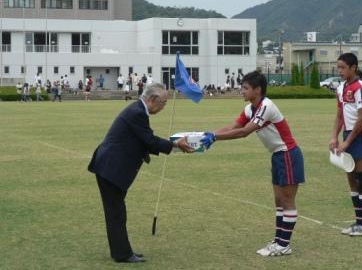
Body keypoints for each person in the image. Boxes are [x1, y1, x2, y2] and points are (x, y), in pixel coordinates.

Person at [200, 71, 305, 257]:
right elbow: (233, 127)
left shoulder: (266, 106)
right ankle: (279, 240)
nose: (242, 91)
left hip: (288, 154)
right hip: (277, 155)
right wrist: (207, 135)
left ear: (258, 90)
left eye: (246, 88)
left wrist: (215, 137)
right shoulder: (250, 108)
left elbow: (244, 132)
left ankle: (284, 244)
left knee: (287, 200)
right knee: (279, 201)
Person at [88, 83, 194, 263]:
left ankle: (122, 252)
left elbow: (144, 141)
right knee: (116, 214)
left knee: (116, 213)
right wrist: (176, 145)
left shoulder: (137, 110)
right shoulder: (137, 112)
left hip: (110, 168)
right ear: (153, 99)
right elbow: (149, 141)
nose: (164, 106)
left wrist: (172, 145)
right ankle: (122, 254)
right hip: (110, 169)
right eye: (164, 102)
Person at [330, 53, 362, 237]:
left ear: (353, 67)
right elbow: (340, 115)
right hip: (349, 134)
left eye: (342, 67)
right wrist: (334, 137)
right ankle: (359, 222)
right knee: (351, 178)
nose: (339, 71)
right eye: (338, 67)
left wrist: (347, 141)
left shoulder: (360, 87)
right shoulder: (341, 88)